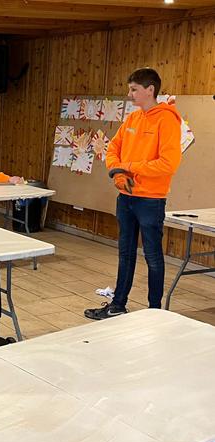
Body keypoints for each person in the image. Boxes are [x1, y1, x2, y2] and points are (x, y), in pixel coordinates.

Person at [84, 68, 181, 320]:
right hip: (126, 196)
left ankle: (154, 311)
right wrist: (117, 173)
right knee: (125, 253)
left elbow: (167, 164)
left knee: (153, 256)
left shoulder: (167, 120)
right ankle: (117, 305)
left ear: (150, 90)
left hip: (150, 199)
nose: (130, 94)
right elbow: (113, 149)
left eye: (134, 89)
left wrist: (128, 167)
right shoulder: (133, 118)